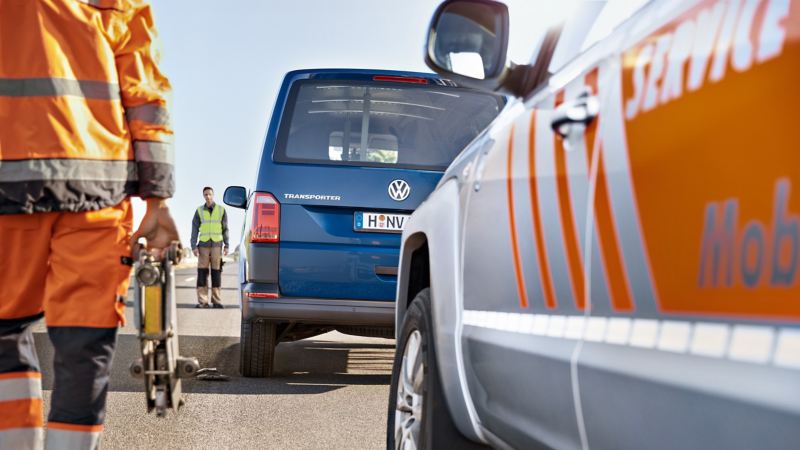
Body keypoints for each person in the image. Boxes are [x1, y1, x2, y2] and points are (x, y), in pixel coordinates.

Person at [0, 0, 177, 448]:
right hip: (97, 193)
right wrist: (157, 201)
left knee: (4, 335)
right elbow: (146, 98)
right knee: (84, 345)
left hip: (7, 186)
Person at [190, 187, 230, 308]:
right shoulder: (199, 211)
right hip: (203, 246)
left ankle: (216, 301)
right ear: (203, 196)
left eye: (209, 194)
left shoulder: (221, 210)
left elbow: (225, 229)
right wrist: (193, 246)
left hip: (217, 246)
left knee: (216, 273)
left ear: (213, 195)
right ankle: (203, 301)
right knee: (202, 273)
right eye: (205, 194)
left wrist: (227, 245)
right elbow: (194, 229)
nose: (208, 196)